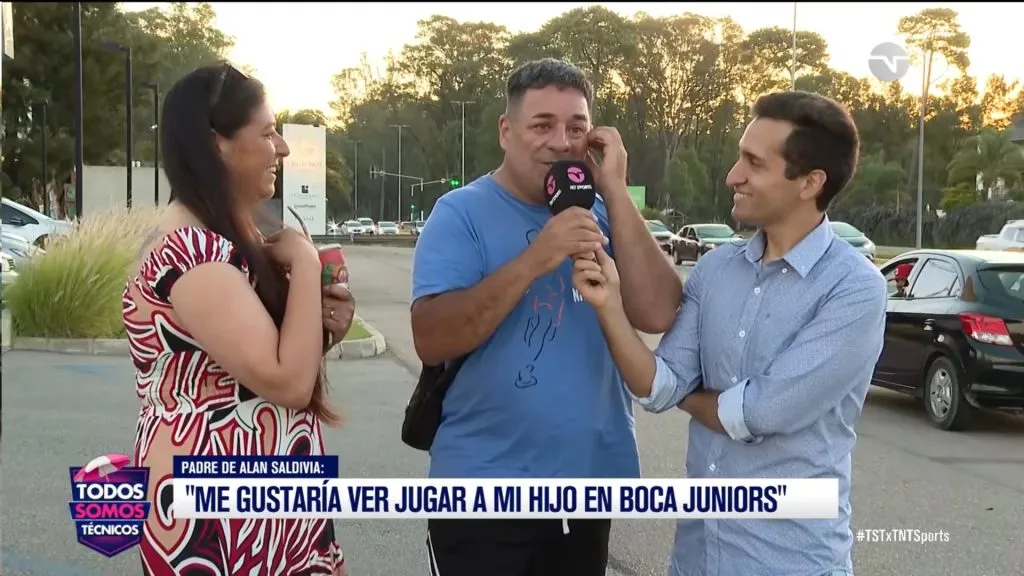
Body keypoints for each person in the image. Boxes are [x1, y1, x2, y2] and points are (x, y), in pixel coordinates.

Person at [571, 91, 887, 576]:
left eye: (754, 163)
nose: (732, 176)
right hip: (696, 558)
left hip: (792, 562)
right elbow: (656, 387)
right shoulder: (716, 270)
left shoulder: (853, 289)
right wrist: (610, 306)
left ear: (810, 182)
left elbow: (760, 412)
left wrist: (688, 394)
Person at [410, 58, 682, 575]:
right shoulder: (459, 213)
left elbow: (660, 310)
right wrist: (538, 257)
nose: (561, 141)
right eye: (542, 125)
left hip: (589, 487)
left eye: (576, 127)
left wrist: (616, 192)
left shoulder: (601, 211)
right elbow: (432, 337)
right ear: (506, 132)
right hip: (483, 491)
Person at [122, 62, 355, 576]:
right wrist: (305, 259)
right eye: (268, 132)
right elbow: (286, 383)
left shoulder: (226, 241)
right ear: (217, 145)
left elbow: (241, 374)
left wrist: (319, 331)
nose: (284, 149)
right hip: (220, 524)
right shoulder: (191, 254)